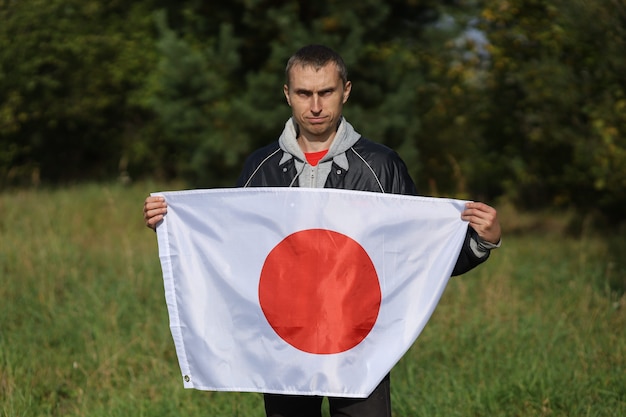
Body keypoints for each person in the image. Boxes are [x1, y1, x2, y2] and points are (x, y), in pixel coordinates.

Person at [144, 44, 501, 417]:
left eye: (325, 92)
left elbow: (422, 258)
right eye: (303, 93)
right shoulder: (260, 167)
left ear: (345, 90)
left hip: (360, 348)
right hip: (283, 345)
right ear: (287, 94)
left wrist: (482, 241)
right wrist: (171, 225)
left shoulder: (381, 167)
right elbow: (229, 254)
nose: (315, 106)